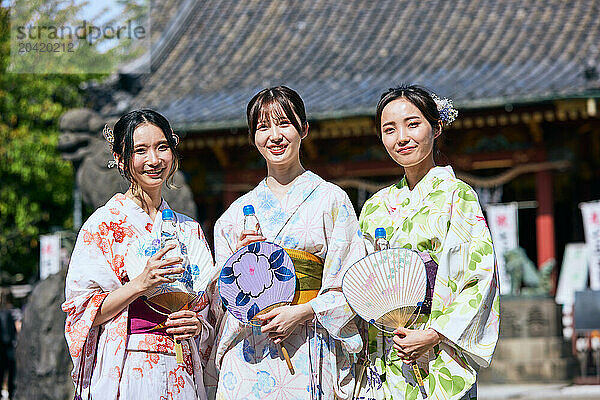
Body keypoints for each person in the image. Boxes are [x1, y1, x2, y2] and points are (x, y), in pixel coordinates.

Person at [208, 86, 366, 399]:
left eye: (284, 123)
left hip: (310, 338)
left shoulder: (332, 201)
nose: (274, 135)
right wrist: (236, 267)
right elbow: (216, 303)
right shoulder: (233, 216)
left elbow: (351, 284)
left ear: (303, 129)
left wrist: (302, 312)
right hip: (248, 353)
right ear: (253, 137)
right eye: (263, 127)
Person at [62, 109, 217, 400]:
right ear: (120, 159)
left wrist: (197, 324)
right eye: (140, 151)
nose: (154, 160)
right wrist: (140, 284)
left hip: (180, 363)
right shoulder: (103, 225)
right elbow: (81, 311)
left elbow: (208, 307)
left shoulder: (189, 228)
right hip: (127, 363)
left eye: (162, 148)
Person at [358, 85, 500, 400]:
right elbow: (359, 281)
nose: (401, 137)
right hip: (387, 356)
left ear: (435, 128)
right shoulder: (374, 207)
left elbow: (479, 277)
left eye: (413, 124)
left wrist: (434, 333)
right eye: (389, 129)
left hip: (440, 353)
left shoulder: (457, 194)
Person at [0, 292, 16, 400]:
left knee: (9, 371)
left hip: (7, 347)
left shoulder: (7, 313)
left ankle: (10, 392)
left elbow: (13, 330)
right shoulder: (7, 313)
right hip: (4, 347)